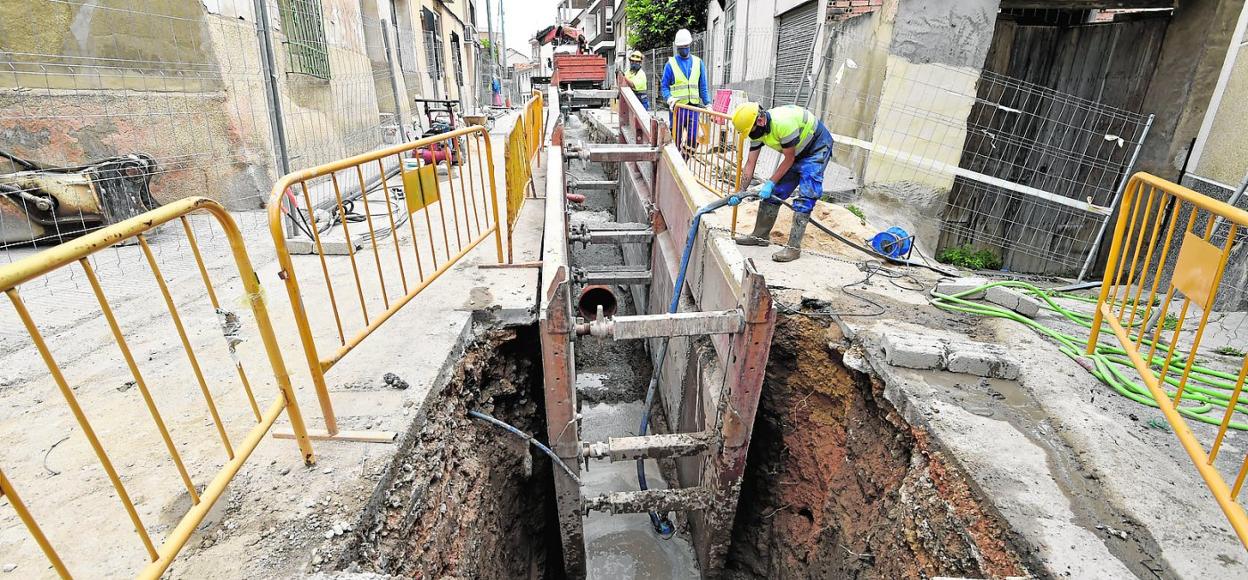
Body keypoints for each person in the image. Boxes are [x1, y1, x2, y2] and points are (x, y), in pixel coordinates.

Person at [730, 101, 834, 262]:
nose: (751, 135)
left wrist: (770, 182)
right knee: (773, 194)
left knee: (806, 197)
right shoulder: (757, 131)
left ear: (760, 120)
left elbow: (789, 159)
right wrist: (741, 191)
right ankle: (760, 236)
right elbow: (750, 163)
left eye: (751, 131)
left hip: (816, 148)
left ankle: (793, 248)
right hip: (796, 151)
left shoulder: (783, 124)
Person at [660, 29, 709, 151]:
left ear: (690, 45)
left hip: (693, 108)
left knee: (693, 139)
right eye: (681, 47)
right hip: (677, 109)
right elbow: (664, 86)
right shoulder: (671, 64)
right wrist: (669, 98)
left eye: (686, 46)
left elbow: (703, 86)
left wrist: (708, 104)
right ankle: (676, 164)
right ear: (677, 47)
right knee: (675, 139)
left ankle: (684, 160)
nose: (684, 49)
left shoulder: (698, 63)